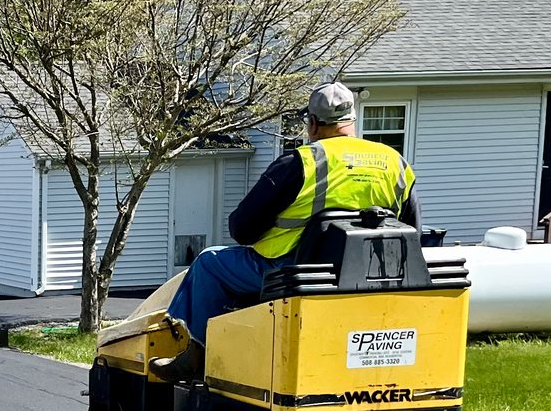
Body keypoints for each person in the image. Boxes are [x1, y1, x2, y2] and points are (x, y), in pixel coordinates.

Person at [152, 81, 418, 381]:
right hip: (369, 274)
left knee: (209, 263)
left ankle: (197, 355)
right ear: (352, 120)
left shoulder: (302, 162)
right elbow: (412, 230)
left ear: (314, 123)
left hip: (293, 270)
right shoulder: (395, 163)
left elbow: (243, 229)